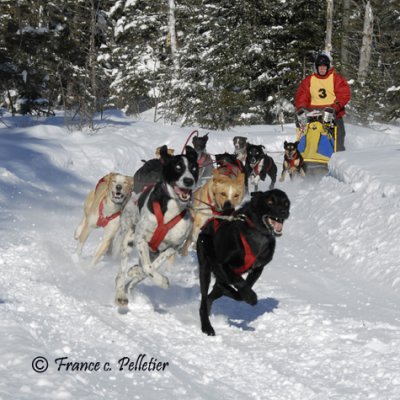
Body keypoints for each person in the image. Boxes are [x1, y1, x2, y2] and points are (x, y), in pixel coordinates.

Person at [295, 52, 351, 151]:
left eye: (324, 67)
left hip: (332, 112)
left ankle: (338, 156)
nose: (322, 69)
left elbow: (343, 94)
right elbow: (302, 95)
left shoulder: (336, 78)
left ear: (328, 67)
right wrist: (301, 108)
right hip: (313, 113)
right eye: (320, 66)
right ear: (316, 67)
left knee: (338, 137)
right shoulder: (309, 80)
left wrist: (335, 107)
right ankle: (303, 151)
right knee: (302, 124)